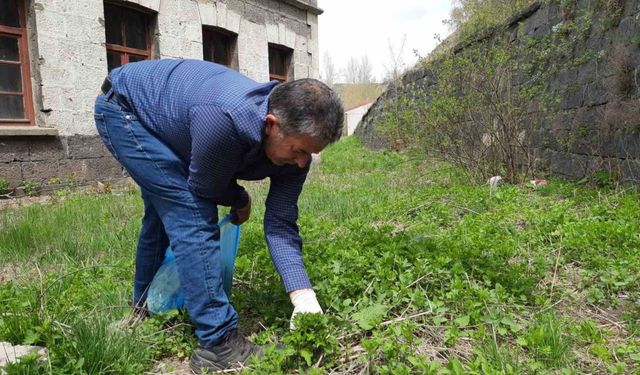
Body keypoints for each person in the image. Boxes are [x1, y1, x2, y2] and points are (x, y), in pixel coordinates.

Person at [93, 59, 344, 372]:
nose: (303, 162)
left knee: (164, 210)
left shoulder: (295, 151)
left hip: (176, 122)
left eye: (311, 154)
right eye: (299, 151)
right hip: (126, 110)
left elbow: (280, 224)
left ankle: (143, 308)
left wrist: (303, 295)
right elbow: (205, 188)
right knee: (189, 211)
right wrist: (239, 197)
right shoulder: (225, 118)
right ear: (271, 124)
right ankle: (218, 343)